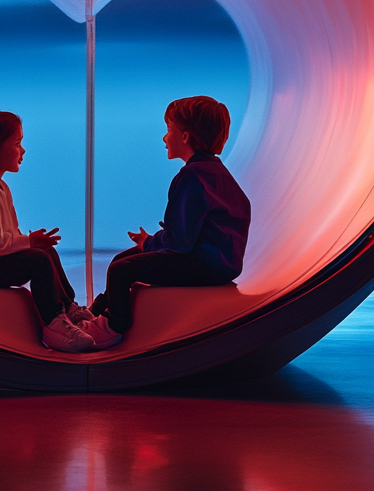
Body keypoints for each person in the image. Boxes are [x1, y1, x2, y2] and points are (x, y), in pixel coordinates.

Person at [84, 96, 252, 349]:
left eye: (168, 130)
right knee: (122, 259)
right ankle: (94, 311)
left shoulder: (191, 176)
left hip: (202, 264)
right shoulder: (219, 175)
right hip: (224, 263)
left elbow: (179, 242)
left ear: (185, 137)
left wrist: (148, 242)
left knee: (121, 269)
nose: (164, 138)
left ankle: (113, 326)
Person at [0, 109, 95, 352]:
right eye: (17, 143)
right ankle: (54, 323)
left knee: (46, 253)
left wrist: (32, 242)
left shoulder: (0, 187)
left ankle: (70, 308)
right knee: (38, 260)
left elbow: (9, 235)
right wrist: (29, 243)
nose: (22, 150)